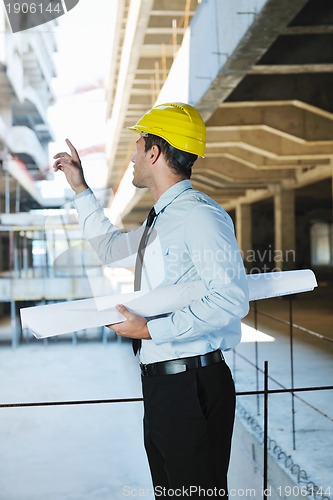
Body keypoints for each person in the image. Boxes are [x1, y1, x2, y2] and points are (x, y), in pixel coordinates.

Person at [53, 102, 249, 498]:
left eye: (137, 144)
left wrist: (149, 329)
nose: (132, 155)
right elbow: (110, 249)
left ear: (155, 152)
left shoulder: (199, 216)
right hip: (164, 387)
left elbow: (230, 299)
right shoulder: (160, 220)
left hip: (192, 385)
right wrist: (80, 189)